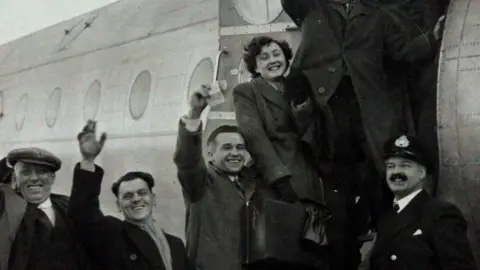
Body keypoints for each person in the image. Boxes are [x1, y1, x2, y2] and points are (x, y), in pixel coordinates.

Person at [174, 85, 275, 270]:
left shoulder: (249, 183)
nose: (235, 153)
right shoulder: (201, 184)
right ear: (210, 155)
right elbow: (187, 160)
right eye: (227, 147)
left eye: (240, 148)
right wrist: (195, 115)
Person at [68, 120, 191, 270]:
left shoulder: (176, 245)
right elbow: (82, 213)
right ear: (118, 206)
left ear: (153, 199)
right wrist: (88, 161)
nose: (136, 199)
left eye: (142, 193)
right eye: (127, 196)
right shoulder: (112, 236)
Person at [368, 134, 477, 269]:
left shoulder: (440, 214)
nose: (396, 172)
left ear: (421, 173)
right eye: (391, 166)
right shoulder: (386, 217)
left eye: (405, 166)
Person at [0, 147, 95, 270]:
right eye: (25, 172)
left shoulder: (68, 207)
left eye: (41, 172)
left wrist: (88, 161)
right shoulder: (5, 210)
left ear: (52, 178)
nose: (34, 178)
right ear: (15, 179)